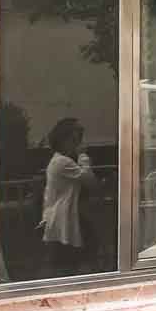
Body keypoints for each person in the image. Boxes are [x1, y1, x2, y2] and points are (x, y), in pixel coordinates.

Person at [39, 117, 98, 277]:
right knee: (73, 261)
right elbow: (90, 181)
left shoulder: (58, 161)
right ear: (65, 139)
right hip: (64, 219)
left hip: (63, 218)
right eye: (75, 138)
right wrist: (83, 156)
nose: (78, 143)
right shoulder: (63, 162)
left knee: (69, 261)